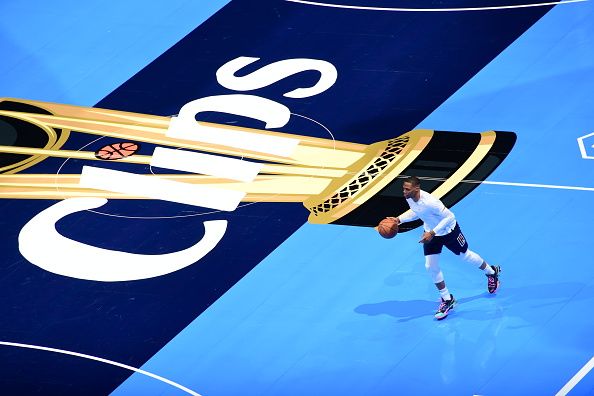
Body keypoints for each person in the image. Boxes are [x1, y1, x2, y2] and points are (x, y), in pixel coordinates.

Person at [388, 176, 500, 320]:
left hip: (448, 231)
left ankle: (491, 273)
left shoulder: (431, 202)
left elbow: (450, 217)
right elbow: (416, 212)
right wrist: (399, 220)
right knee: (430, 266)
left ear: (417, 188)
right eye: (404, 188)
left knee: (465, 256)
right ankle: (448, 300)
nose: (404, 191)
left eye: (407, 189)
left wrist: (432, 232)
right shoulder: (410, 198)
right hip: (430, 233)